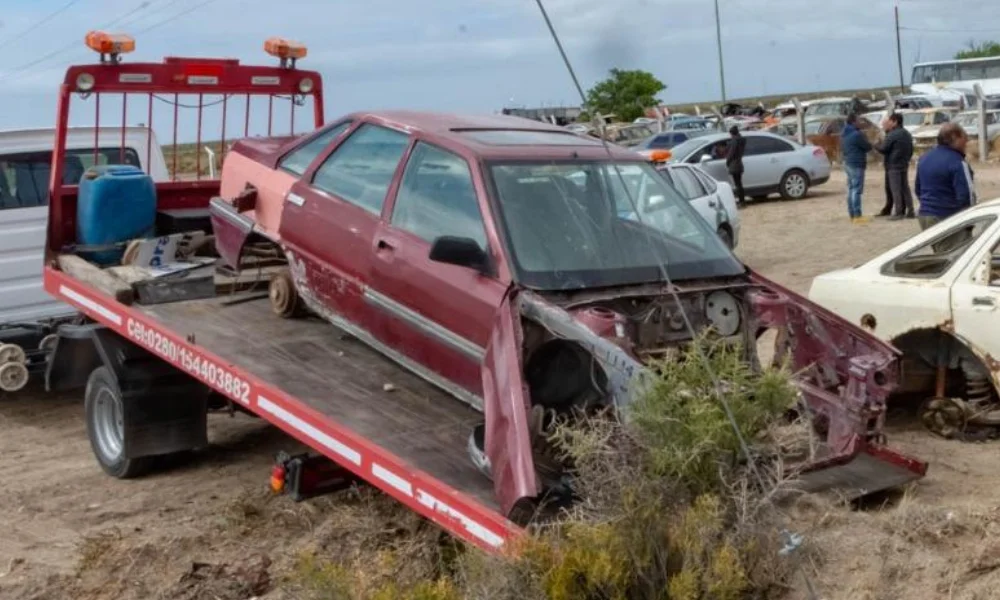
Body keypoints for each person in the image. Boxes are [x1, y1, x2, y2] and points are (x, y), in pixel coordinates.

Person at [915, 122, 974, 231]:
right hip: (948, 218)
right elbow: (966, 195)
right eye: (965, 137)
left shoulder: (924, 158)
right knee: (960, 247)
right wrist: (969, 221)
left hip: (925, 216)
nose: (967, 142)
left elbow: (918, 190)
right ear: (954, 137)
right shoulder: (957, 162)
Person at [875, 113, 915, 220]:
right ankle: (910, 210)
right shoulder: (907, 134)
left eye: (891, 121)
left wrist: (876, 145)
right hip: (903, 163)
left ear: (895, 121)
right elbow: (911, 149)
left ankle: (898, 212)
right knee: (905, 188)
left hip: (893, 165)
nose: (889, 123)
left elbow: (884, 149)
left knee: (896, 189)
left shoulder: (893, 134)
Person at [840, 113, 873, 223]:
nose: (860, 123)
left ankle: (852, 214)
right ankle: (857, 215)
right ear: (853, 122)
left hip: (848, 162)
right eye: (858, 120)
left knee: (850, 189)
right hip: (857, 163)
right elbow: (867, 147)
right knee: (856, 190)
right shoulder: (856, 134)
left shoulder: (844, 134)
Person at [725, 126, 746, 206]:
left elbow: (731, 153)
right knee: (739, 184)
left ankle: (741, 202)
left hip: (734, 164)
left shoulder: (734, 141)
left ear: (732, 133)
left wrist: (727, 161)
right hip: (739, 163)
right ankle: (742, 201)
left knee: (737, 184)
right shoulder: (741, 140)